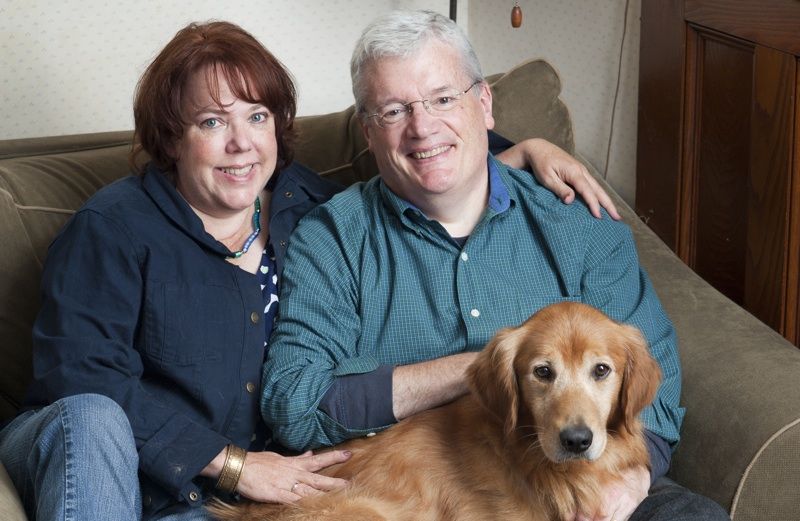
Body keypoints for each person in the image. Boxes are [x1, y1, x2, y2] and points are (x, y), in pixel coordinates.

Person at [0, 20, 617, 521]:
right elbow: (81, 379)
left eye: (257, 116)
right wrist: (234, 464)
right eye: (212, 122)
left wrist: (525, 152)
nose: (241, 143)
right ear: (170, 138)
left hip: (266, 498)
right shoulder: (112, 230)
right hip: (141, 482)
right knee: (91, 415)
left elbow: (417, 157)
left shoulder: (307, 206)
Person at [260, 10, 730, 521]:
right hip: (416, 493)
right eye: (393, 111)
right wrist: (484, 370)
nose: (422, 128)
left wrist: (633, 481)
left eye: (443, 98)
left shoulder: (579, 221)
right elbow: (293, 404)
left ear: (484, 104)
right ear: (367, 132)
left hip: (588, 479)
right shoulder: (333, 238)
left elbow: (656, 385)